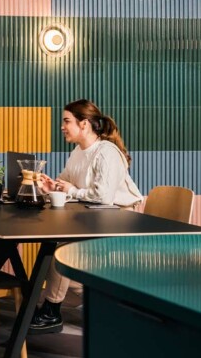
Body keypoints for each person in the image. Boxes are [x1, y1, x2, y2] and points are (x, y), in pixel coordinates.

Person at [29, 99, 143, 334]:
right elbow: (65, 180)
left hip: (120, 219)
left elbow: (103, 197)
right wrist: (52, 186)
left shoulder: (106, 152)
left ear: (84, 124)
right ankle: (104, 300)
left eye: (66, 121)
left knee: (63, 249)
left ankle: (51, 309)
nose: (62, 126)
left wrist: (70, 190)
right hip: (94, 217)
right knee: (62, 251)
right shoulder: (78, 151)